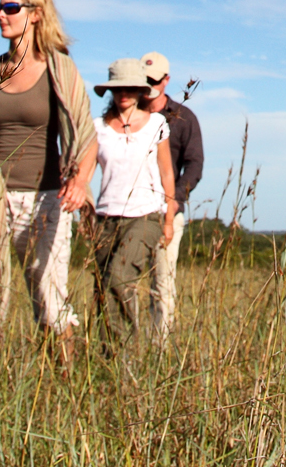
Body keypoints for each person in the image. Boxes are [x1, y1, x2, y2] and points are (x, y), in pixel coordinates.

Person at [0, 0, 96, 379]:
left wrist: (79, 181)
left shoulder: (59, 68)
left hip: (46, 199)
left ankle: (68, 384)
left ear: (35, 15)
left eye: (11, 8)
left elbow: (86, 136)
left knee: (48, 295)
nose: (1, 14)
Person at [88, 58, 176, 348]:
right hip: (104, 217)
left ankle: (124, 355)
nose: (123, 94)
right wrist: (84, 214)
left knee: (119, 278)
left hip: (145, 214)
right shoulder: (97, 127)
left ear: (141, 91)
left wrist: (168, 219)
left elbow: (166, 171)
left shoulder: (157, 124)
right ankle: (107, 359)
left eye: (130, 88)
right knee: (102, 288)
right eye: (117, 89)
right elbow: (86, 171)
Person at [140, 52, 202, 341]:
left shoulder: (184, 118)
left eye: (154, 80)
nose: (149, 85)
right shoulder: (127, 111)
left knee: (162, 283)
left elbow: (195, 164)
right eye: (144, 80)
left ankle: (159, 348)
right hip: (129, 210)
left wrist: (174, 199)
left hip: (167, 212)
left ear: (166, 80)